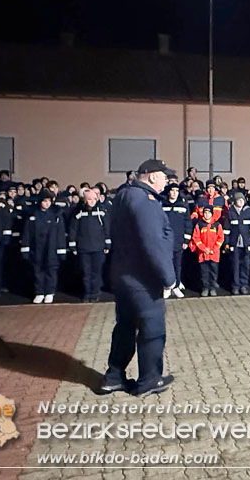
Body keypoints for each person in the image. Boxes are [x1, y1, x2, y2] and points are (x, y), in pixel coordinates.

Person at [100, 159, 176, 395]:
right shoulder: (146, 201)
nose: (167, 182)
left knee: (125, 326)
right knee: (152, 329)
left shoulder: (125, 195)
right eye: (165, 177)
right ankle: (149, 380)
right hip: (143, 278)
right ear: (152, 176)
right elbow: (152, 243)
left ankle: (114, 376)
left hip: (123, 275)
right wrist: (168, 277)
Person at [20, 189, 67, 304]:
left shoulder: (56, 215)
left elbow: (61, 234)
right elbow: (27, 233)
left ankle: (50, 292)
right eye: (44, 201)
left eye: (49, 201)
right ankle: (39, 292)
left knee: (51, 271)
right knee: (38, 271)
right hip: (37, 248)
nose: (47, 203)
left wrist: (62, 250)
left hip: (51, 248)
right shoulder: (33, 215)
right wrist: (25, 248)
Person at [68, 188, 111, 302]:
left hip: (98, 247)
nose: (91, 201)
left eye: (93, 199)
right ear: (84, 200)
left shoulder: (102, 211)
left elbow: (106, 228)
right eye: (89, 199)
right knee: (86, 272)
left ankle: (95, 293)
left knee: (96, 272)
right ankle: (87, 293)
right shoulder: (78, 212)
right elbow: (73, 229)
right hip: (83, 247)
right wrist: (73, 245)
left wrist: (107, 244)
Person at [223, 192, 250, 295]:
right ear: (235, 201)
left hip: (246, 244)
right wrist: (227, 243)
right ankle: (235, 286)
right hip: (234, 244)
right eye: (238, 200)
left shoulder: (248, 211)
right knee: (235, 266)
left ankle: (244, 285)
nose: (240, 202)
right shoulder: (230, 212)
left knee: (246, 266)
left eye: (242, 200)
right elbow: (226, 230)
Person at [191, 205, 225, 297]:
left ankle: (212, 288)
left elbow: (220, 238)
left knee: (213, 272)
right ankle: (205, 288)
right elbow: (196, 238)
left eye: (208, 213)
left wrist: (214, 249)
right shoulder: (199, 224)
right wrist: (203, 248)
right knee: (204, 272)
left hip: (214, 254)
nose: (206, 215)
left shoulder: (217, 225)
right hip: (203, 254)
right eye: (205, 213)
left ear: (212, 214)